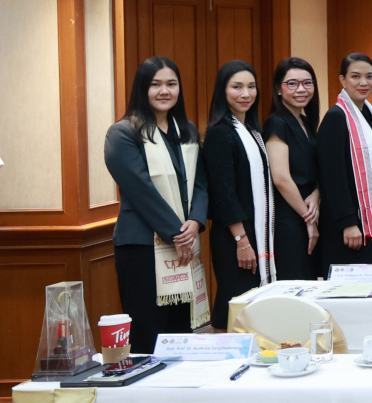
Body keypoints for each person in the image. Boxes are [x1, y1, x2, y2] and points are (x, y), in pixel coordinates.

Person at [104, 57, 209, 352]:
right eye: (156, 84)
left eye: (171, 84)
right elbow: (141, 191)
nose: (165, 91)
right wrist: (179, 234)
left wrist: (196, 221)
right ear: (142, 88)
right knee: (148, 336)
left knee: (181, 334)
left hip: (185, 243)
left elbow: (201, 182)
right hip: (142, 248)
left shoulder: (186, 131)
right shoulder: (122, 133)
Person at [203, 60, 275, 324]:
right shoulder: (220, 133)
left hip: (256, 231)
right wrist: (241, 241)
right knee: (236, 306)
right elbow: (224, 194)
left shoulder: (253, 131)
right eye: (237, 87)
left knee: (256, 307)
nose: (246, 94)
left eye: (251, 87)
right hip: (234, 236)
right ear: (223, 91)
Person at [316, 52, 372, 270]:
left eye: (369, 76)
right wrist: (348, 223)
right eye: (355, 76)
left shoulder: (370, 115)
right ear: (342, 80)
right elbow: (333, 176)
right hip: (350, 227)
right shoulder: (336, 117)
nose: (364, 83)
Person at [262, 57, 322, 280]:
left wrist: (317, 194)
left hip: (309, 212)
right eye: (292, 84)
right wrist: (309, 219)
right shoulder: (276, 122)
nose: (301, 89)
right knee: (295, 283)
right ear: (279, 89)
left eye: (307, 83)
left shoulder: (306, 122)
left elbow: (315, 170)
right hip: (290, 218)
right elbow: (281, 178)